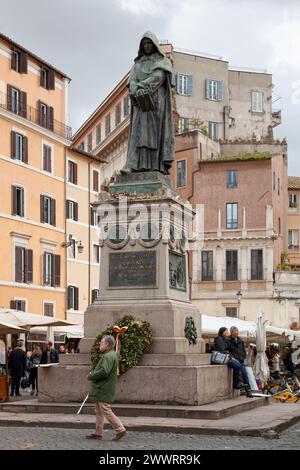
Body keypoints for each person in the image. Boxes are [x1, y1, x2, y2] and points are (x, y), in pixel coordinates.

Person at [123, 31, 174, 175]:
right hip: (140, 103)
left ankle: (154, 166)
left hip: (156, 103)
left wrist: (140, 86)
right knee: (137, 134)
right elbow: (132, 80)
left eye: (149, 43)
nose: (146, 46)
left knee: (154, 134)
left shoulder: (163, 62)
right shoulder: (137, 64)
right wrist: (134, 88)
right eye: (144, 44)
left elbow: (158, 77)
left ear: (154, 44)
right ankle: (132, 164)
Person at [86, 335, 126, 441]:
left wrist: (91, 375)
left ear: (107, 344)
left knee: (105, 409)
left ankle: (120, 429)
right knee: (99, 410)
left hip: (103, 387)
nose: (100, 344)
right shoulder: (111, 355)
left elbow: (104, 372)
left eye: (101, 342)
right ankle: (98, 433)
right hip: (103, 387)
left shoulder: (108, 356)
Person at [226, 327, 253, 398]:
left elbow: (243, 350)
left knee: (245, 374)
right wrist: (232, 357)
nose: (237, 332)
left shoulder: (240, 340)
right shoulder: (228, 340)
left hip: (240, 360)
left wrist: (243, 357)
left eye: (237, 331)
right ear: (232, 332)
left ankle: (247, 390)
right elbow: (227, 350)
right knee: (244, 372)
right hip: (234, 360)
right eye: (236, 331)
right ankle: (248, 390)